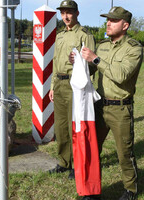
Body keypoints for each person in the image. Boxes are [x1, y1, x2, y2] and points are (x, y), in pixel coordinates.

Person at [72, 6, 143, 200]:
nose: (108, 23)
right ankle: (92, 190)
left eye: (113, 20)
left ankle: (131, 190)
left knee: (124, 153)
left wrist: (95, 59)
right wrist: (79, 62)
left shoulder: (134, 48)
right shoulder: (103, 46)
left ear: (125, 25)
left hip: (120, 108)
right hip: (99, 105)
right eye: (107, 20)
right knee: (92, 150)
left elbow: (121, 75)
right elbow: (93, 70)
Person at [48, 0, 96, 180]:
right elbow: (55, 62)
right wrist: (53, 86)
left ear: (77, 13)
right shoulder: (60, 35)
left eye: (69, 12)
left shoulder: (84, 35)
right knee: (60, 127)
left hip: (75, 84)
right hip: (60, 84)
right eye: (63, 13)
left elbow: (91, 64)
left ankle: (78, 165)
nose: (66, 16)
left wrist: (86, 89)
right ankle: (63, 162)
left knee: (75, 126)